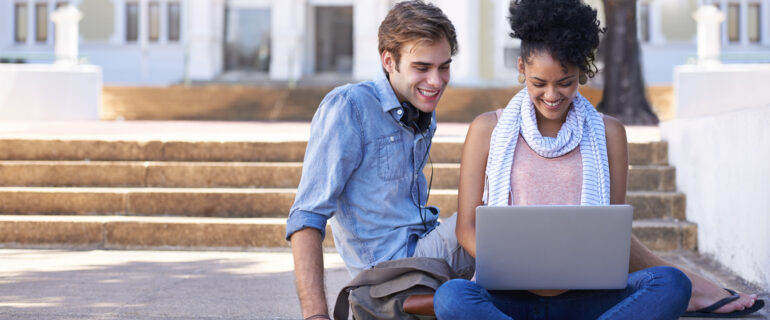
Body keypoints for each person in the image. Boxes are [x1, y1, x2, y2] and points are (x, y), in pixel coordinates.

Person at [433, 0, 763, 319]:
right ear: (522, 68)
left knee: (672, 285)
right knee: (451, 297)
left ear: (582, 71)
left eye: (565, 82)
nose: (552, 95)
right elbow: (467, 229)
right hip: (509, 295)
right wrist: (523, 270)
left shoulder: (609, 133)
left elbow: (612, 234)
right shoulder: (486, 128)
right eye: (539, 83)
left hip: (587, 298)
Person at [285, 1, 474, 319]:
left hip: (424, 249)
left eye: (444, 66)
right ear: (389, 61)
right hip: (389, 271)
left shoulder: (420, 107)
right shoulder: (349, 107)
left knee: (504, 224)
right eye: (422, 67)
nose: (437, 81)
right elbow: (306, 215)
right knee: (492, 215)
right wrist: (315, 315)